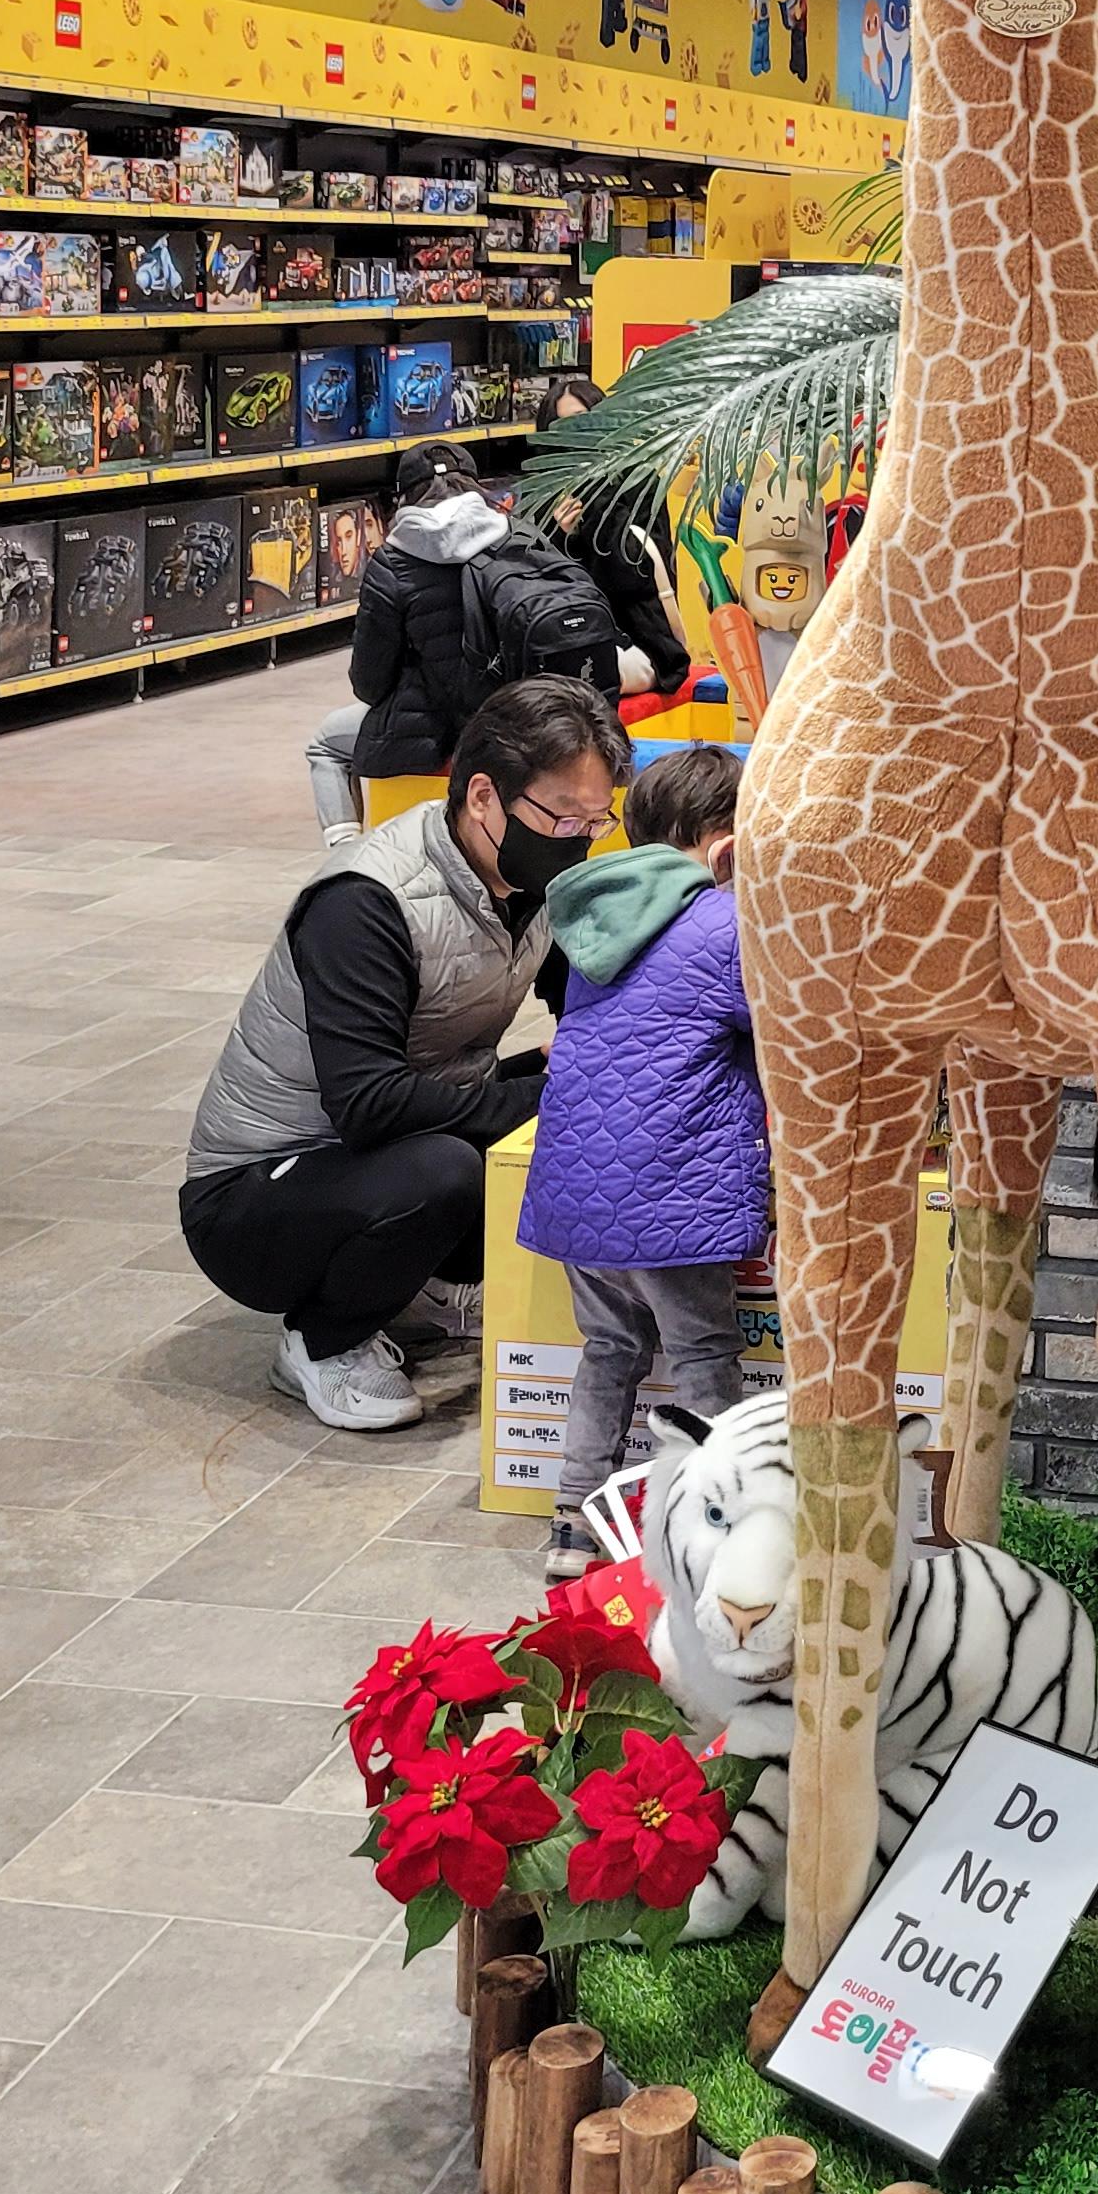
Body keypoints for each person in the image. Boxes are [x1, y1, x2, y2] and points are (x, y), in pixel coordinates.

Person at [183, 677, 628, 1429]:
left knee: (578, 1085)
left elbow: (584, 1002)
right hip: (256, 1194)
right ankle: (323, 1341)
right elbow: (365, 1104)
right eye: (562, 817)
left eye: (596, 819)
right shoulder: (366, 900)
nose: (579, 838)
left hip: (384, 1142)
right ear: (483, 796)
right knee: (449, 1169)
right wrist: (545, 1095)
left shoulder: (528, 879)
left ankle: (416, 1285)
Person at [518, 744, 766, 1574]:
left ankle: (571, 1525)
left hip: (576, 1199)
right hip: (672, 1196)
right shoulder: (725, 924)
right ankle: (718, 1524)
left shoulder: (600, 921)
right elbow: (781, 1029)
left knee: (609, 1349)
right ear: (724, 845)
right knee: (702, 1357)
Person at [304, 440, 510, 837]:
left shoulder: (392, 563)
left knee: (325, 744)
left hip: (431, 728)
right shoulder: (512, 540)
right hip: (517, 714)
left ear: (404, 498)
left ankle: (347, 856)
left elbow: (369, 683)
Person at [528, 374, 686, 695]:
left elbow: (637, 575)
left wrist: (597, 499)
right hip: (566, 633)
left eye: (583, 422)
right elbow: (535, 581)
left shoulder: (639, 481)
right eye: (562, 427)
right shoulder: (542, 490)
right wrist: (561, 538)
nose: (575, 437)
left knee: (584, 675)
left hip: (638, 639)